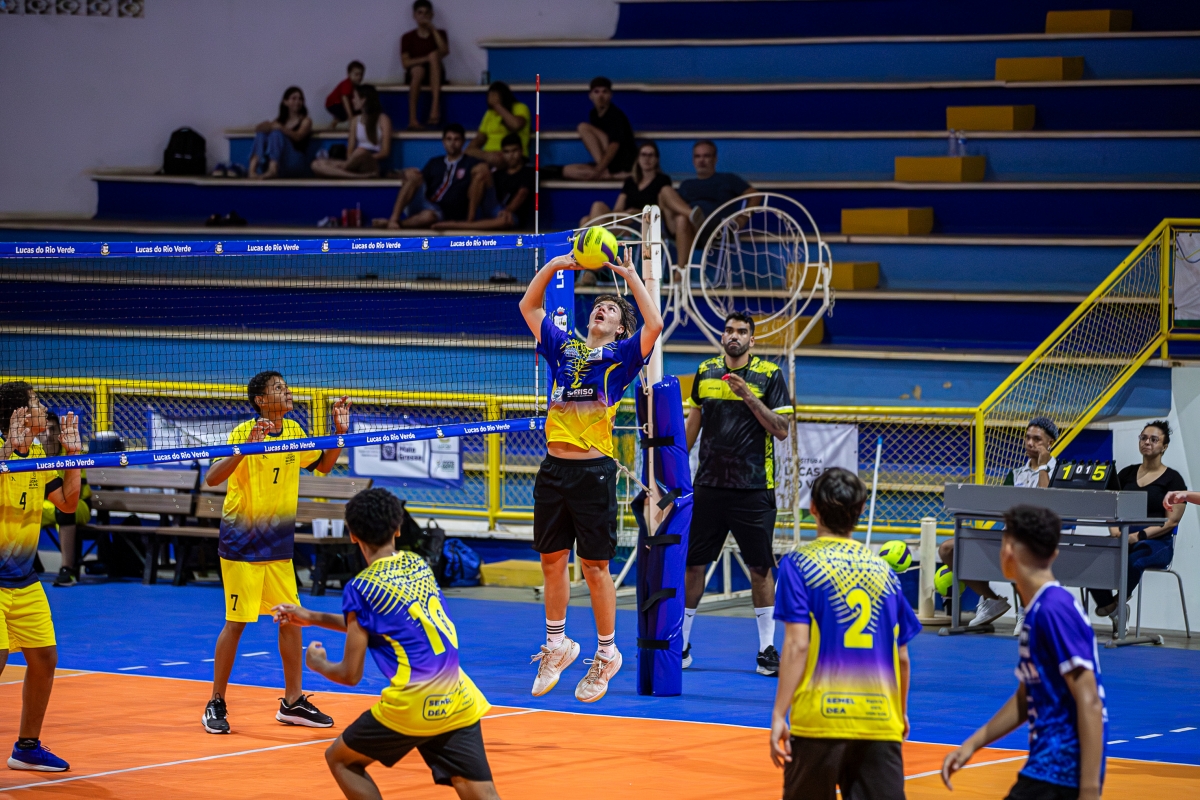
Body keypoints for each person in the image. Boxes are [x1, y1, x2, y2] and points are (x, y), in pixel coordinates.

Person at [272, 489, 500, 800]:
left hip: (413, 702)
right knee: (478, 792)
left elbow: (350, 674)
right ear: (398, 528)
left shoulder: (362, 587)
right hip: (458, 695)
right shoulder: (418, 564)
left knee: (341, 760)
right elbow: (382, 624)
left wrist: (317, 663)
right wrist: (310, 617)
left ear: (352, 535)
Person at [519, 246, 663, 703]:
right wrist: (554, 266)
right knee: (551, 560)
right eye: (598, 305)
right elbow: (528, 306)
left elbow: (655, 325)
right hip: (553, 469)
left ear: (619, 327)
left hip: (594, 473)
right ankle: (557, 644)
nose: (602, 309)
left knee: (595, 566)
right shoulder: (564, 346)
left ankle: (606, 653)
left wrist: (630, 276)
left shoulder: (622, 356)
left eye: (611, 309)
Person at [200, 371, 350, 735]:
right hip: (242, 544)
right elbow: (213, 478)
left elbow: (324, 464)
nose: (287, 392)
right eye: (278, 388)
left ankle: (293, 701)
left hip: (279, 546)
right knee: (236, 622)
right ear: (260, 400)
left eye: (286, 387)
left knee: (290, 620)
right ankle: (215, 701)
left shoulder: (295, 431)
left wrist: (339, 433)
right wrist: (245, 448)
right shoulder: (243, 432)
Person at [770, 468, 919, 800]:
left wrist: (779, 713)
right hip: (880, 720)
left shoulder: (800, 565)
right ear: (861, 511)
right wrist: (900, 711)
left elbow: (797, 644)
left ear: (813, 509)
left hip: (819, 719)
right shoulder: (885, 573)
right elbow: (902, 657)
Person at [942, 505, 1107, 800]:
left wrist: (1090, 790)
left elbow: (1090, 700)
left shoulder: (1054, 609)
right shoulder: (1039, 609)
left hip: (1060, 771)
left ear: (1007, 552)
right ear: (1054, 553)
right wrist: (973, 743)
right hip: (1045, 767)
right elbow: (1026, 695)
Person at [683, 311, 791, 676]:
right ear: (722, 336)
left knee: (760, 568)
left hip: (753, 489)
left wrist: (748, 396)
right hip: (709, 486)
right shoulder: (705, 372)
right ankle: (680, 644)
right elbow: (692, 427)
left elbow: (781, 429)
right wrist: (671, 469)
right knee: (694, 565)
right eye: (729, 330)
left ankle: (766, 650)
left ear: (751, 340)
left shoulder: (770, 375)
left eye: (742, 331)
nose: (734, 335)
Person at [1, 381, 81, 772]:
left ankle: (27, 747)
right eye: (35, 402)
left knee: (45, 658)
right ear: (17, 413)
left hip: (23, 577)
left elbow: (67, 503)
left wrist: (73, 457)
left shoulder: (36, 453)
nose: (43, 408)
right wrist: (7, 451)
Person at [939, 416, 1059, 629]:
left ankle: (1026, 610)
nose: (1030, 443)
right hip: (1007, 536)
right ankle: (992, 599)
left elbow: (1046, 503)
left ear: (1050, 443)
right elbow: (1003, 507)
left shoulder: (1060, 470)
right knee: (948, 549)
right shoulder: (1016, 474)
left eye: (1037, 439)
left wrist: (1043, 467)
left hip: (1039, 541)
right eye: (1027, 438)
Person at [1087, 420, 1186, 625]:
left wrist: (1137, 536)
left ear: (1164, 446)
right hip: (1123, 536)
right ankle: (1114, 610)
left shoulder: (1173, 480)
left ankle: (1117, 604)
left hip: (1157, 542)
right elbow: (1109, 505)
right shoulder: (1126, 474)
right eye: (1143, 438)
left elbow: (1171, 522)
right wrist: (1115, 531)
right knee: (1090, 558)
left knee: (1135, 561)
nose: (1147, 442)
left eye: (1154, 439)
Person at [667, 140, 761, 263]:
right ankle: (693, 215)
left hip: (716, 228)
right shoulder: (686, 184)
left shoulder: (728, 179)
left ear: (715, 159)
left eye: (706, 156)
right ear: (693, 160)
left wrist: (743, 218)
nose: (701, 160)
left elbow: (755, 195)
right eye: (697, 156)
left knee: (681, 219)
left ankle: (680, 272)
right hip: (687, 228)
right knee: (665, 191)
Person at [389, 123, 488, 229]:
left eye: (456, 139)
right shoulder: (435, 162)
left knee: (429, 217)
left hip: (444, 213)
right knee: (414, 177)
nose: (452, 143)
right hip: (426, 203)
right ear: (443, 142)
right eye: (449, 139)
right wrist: (404, 173)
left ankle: (396, 224)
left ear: (463, 142)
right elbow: (419, 181)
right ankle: (393, 219)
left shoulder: (471, 163)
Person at [433, 134, 534, 231]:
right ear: (502, 154)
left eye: (514, 151)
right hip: (494, 208)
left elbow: (522, 194)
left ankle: (458, 225)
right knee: (481, 173)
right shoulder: (499, 171)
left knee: (505, 221)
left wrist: (507, 211)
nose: (511, 155)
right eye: (507, 152)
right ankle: (469, 219)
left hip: (512, 214)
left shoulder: (528, 171)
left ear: (521, 151)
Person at [41, 411, 91, 588]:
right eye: (44, 430)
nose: (48, 435)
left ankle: (67, 570)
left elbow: (74, 493)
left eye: (53, 429)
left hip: (79, 505)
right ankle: (27, 564)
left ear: (59, 433)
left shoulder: (71, 453)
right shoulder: (34, 455)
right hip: (47, 504)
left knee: (64, 509)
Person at [580, 140, 675, 227]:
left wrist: (637, 212)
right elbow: (618, 208)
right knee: (596, 207)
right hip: (624, 219)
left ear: (656, 159)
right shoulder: (630, 181)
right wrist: (625, 214)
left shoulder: (662, 180)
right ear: (638, 158)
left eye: (650, 155)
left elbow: (662, 211)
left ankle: (594, 237)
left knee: (587, 222)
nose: (647, 159)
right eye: (643, 155)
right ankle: (596, 236)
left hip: (642, 223)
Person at [563, 77, 637, 181]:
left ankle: (607, 172)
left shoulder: (615, 115)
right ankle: (609, 174)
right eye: (596, 92)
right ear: (590, 96)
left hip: (622, 160)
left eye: (604, 92)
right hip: (607, 163)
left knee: (583, 127)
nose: (600, 96)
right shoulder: (593, 114)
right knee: (567, 171)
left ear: (610, 95)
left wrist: (599, 169)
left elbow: (614, 145)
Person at [312, 85, 392, 179]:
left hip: (372, 159)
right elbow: (350, 150)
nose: (352, 101)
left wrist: (363, 156)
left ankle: (339, 170)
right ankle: (357, 176)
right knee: (316, 164)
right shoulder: (355, 120)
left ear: (363, 100)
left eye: (355, 97)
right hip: (354, 160)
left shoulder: (383, 119)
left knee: (360, 151)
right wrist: (353, 159)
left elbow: (385, 152)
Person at [400, 0, 449, 130]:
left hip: (436, 72)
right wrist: (427, 58)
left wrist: (432, 29)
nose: (423, 16)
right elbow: (406, 63)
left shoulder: (440, 33)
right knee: (418, 70)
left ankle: (435, 108)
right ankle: (412, 120)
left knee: (434, 55)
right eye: (420, 13)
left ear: (432, 15)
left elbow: (444, 51)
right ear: (414, 15)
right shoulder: (407, 37)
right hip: (415, 75)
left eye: (427, 13)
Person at [249, 87, 314, 180]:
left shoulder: (306, 120)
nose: (297, 101)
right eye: (294, 98)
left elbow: (298, 136)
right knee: (261, 134)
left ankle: (273, 170)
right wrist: (265, 126)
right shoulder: (279, 121)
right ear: (285, 102)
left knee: (276, 133)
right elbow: (259, 129)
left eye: (300, 99)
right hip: (281, 163)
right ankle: (252, 170)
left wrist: (281, 128)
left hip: (296, 162)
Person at [465, 81, 530, 168]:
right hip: (489, 157)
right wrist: (486, 155)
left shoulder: (520, 107)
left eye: (495, 96)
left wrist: (497, 105)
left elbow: (515, 125)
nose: (491, 99)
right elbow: (478, 140)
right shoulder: (489, 113)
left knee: (482, 170)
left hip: (511, 156)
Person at [325, 61, 365, 129]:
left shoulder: (355, 86)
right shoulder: (347, 84)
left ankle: (338, 120)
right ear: (349, 74)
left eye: (361, 74)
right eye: (356, 74)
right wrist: (350, 116)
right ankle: (335, 122)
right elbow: (345, 99)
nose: (359, 77)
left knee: (357, 111)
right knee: (346, 114)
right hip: (333, 104)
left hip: (339, 103)